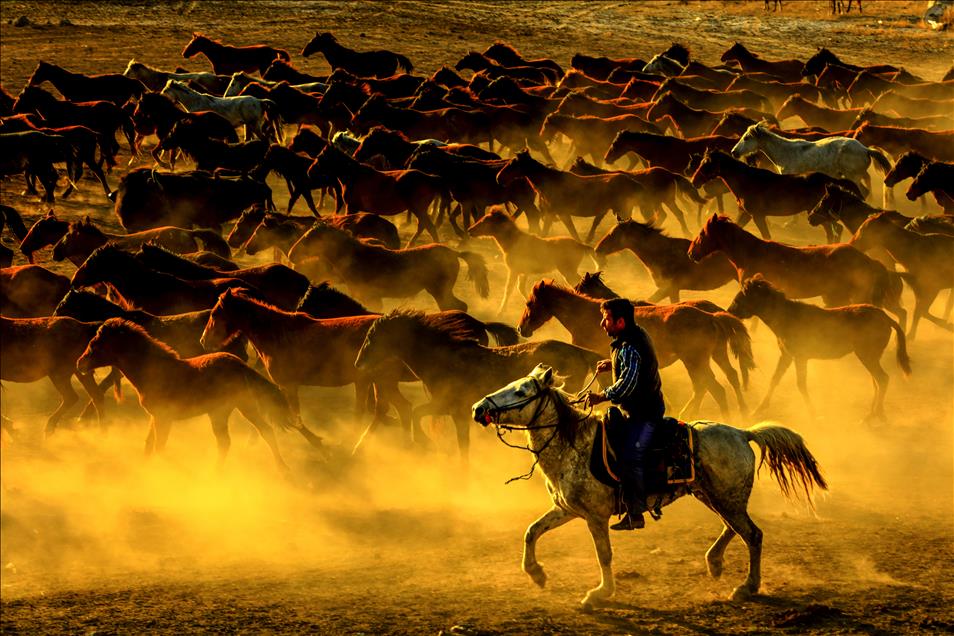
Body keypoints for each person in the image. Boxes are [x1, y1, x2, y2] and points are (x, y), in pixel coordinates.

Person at [585, 297, 666, 531]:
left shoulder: (629, 346)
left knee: (631, 458)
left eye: (606, 319)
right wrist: (613, 363)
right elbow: (635, 366)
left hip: (645, 413)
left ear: (620, 322)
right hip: (643, 408)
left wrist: (601, 396)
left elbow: (626, 385)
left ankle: (635, 513)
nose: (602, 324)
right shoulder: (635, 336)